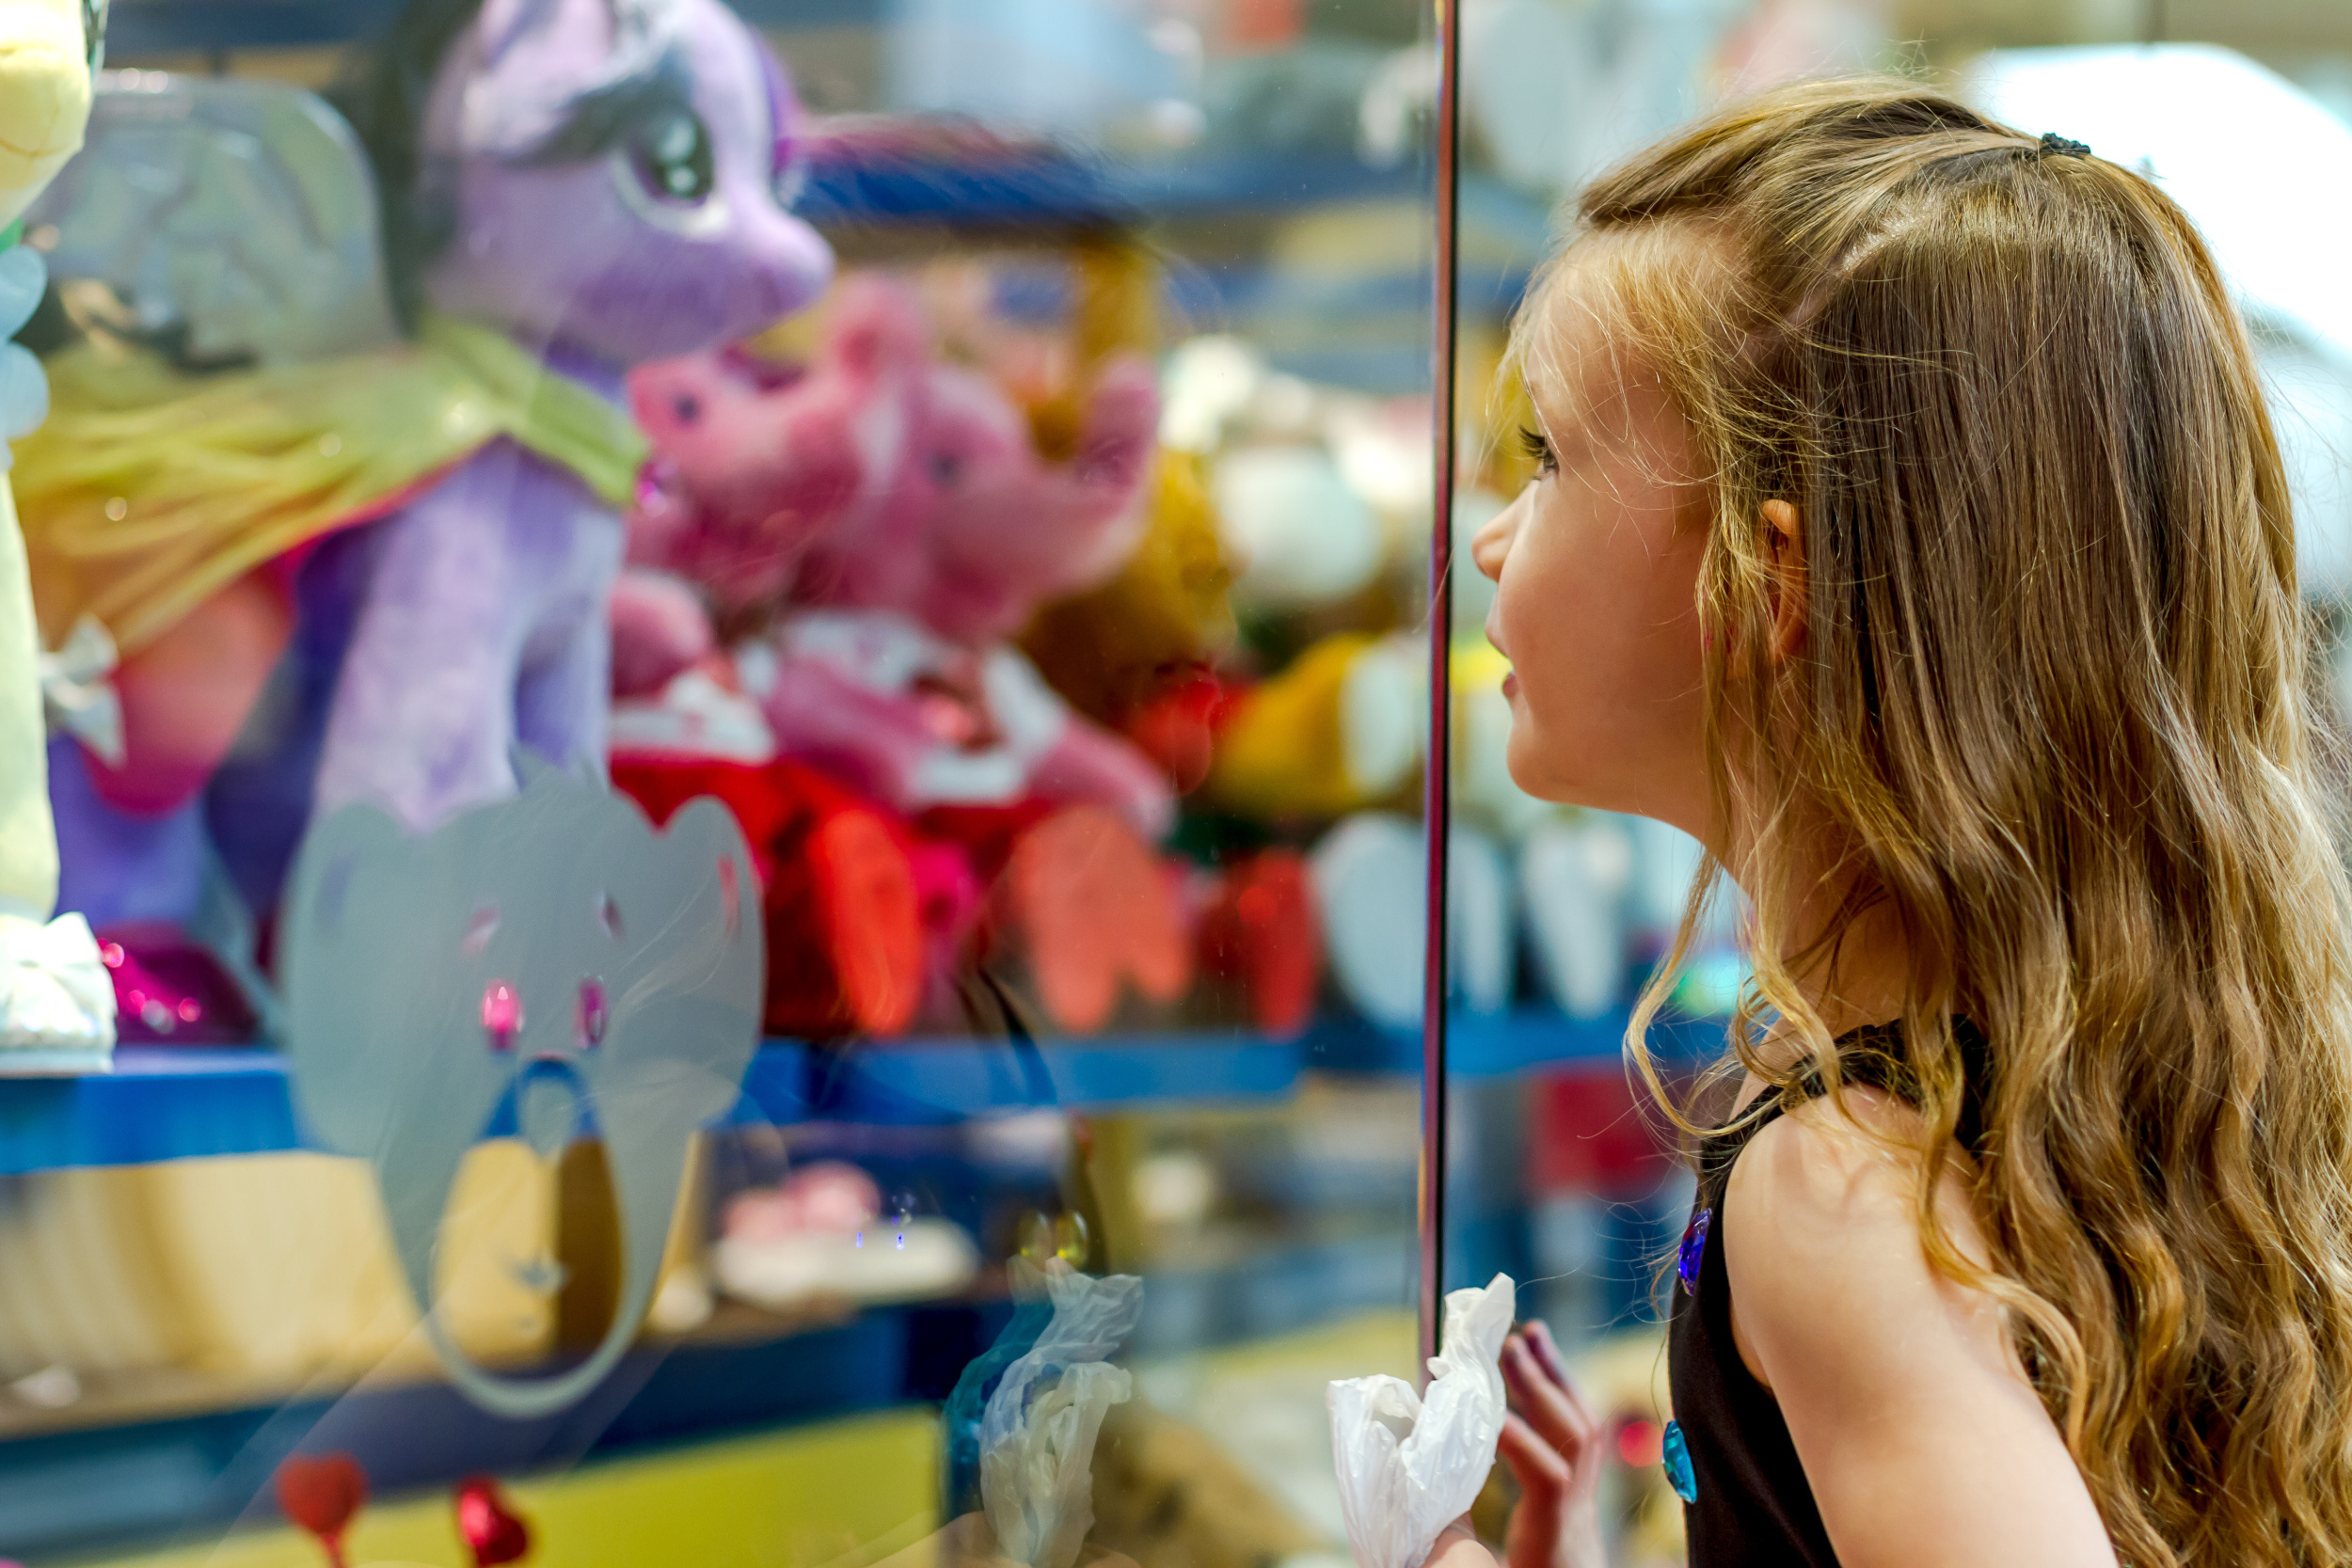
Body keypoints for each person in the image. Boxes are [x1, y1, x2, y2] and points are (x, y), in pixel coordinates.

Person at [1434, 76, 2352, 1568]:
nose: (1490, 537)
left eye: (1545, 462)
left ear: (1769, 580)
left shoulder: (1842, 1193)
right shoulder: (2038, 1102)